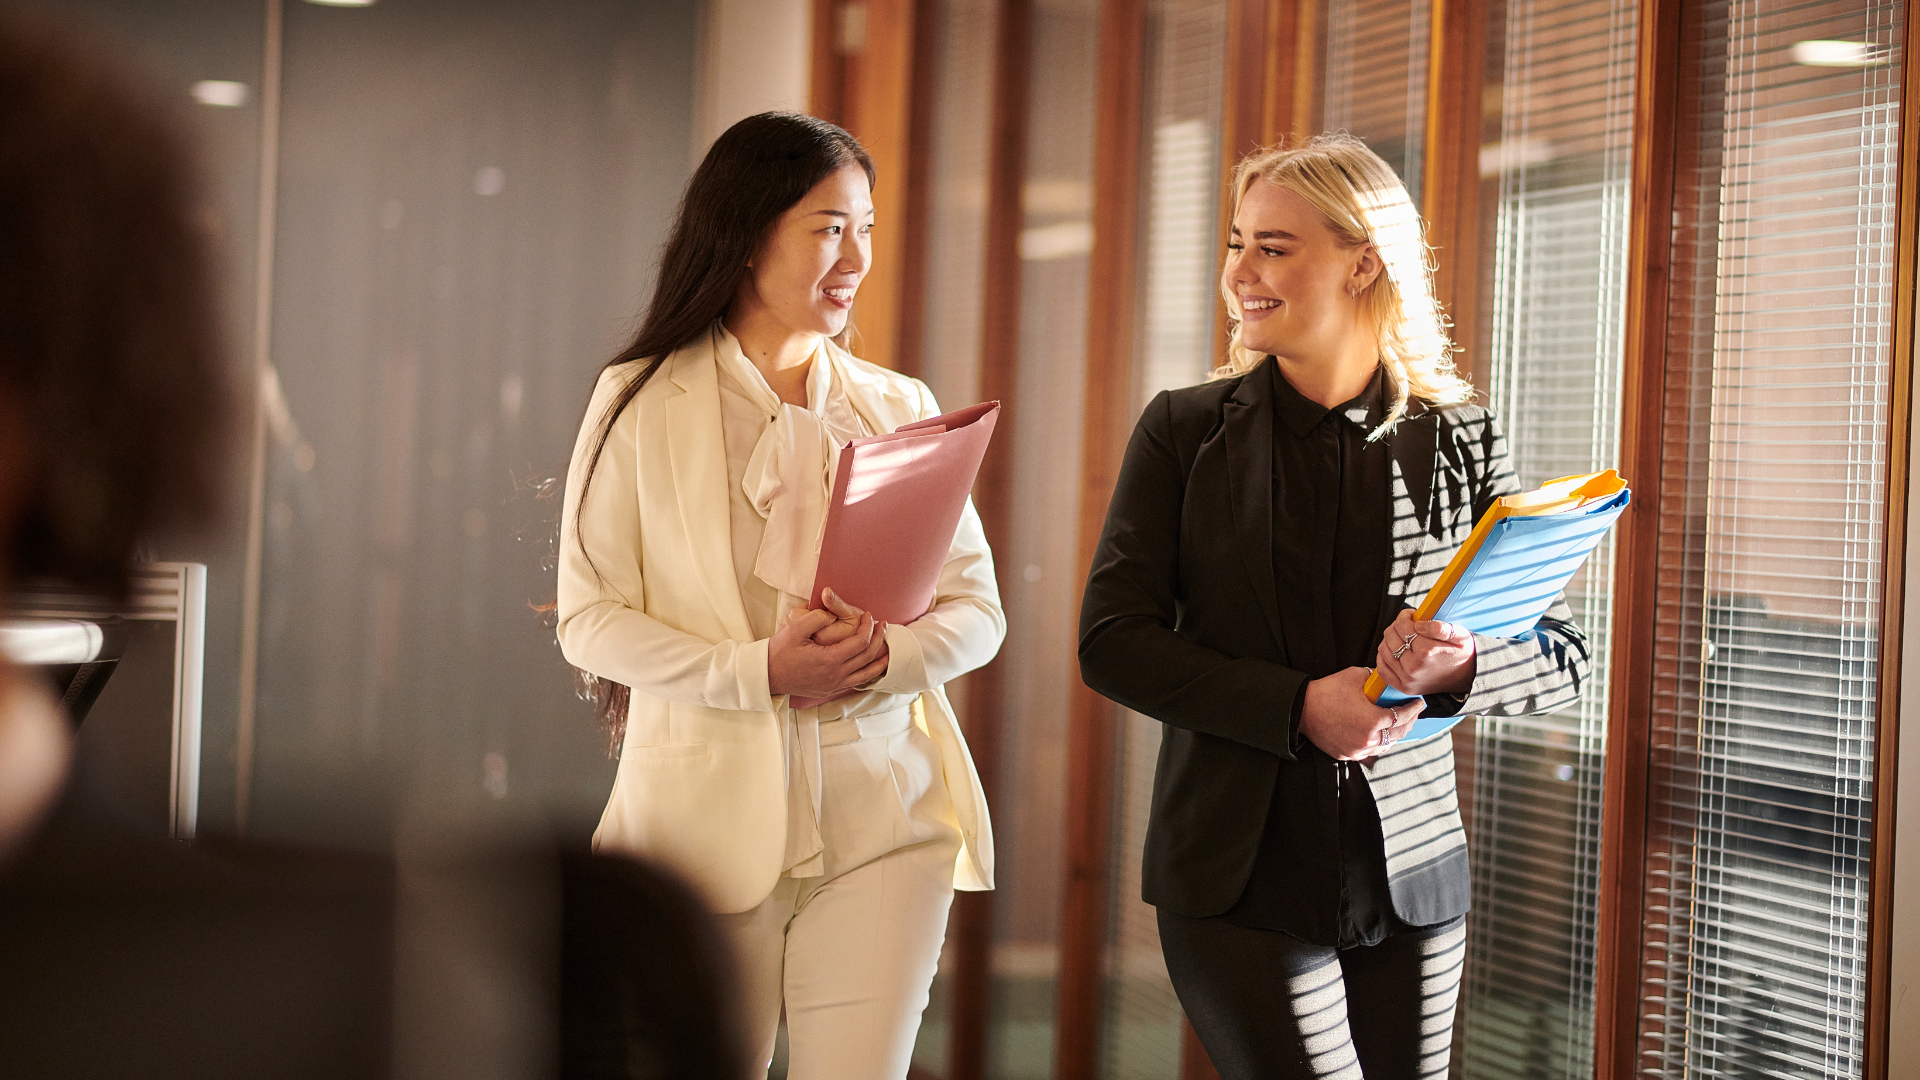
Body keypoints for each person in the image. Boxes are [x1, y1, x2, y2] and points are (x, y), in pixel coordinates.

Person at [1077, 134, 1590, 1079]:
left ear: (1363, 260)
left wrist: (1459, 669)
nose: (1240, 273)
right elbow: (1113, 643)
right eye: (1238, 243)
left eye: (1273, 247)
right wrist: (1296, 706)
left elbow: (1561, 652)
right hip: (1237, 874)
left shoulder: (1463, 435)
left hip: (1414, 877)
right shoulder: (1184, 431)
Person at [556, 111, 1004, 1080]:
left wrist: (889, 655)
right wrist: (758, 670)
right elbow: (590, 622)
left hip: (882, 825)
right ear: (750, 230)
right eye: (830, 227)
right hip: (695, 843)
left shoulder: (899, 406)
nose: (857, 256)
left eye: (868, 227)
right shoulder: (636, 399)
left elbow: (979, 612)